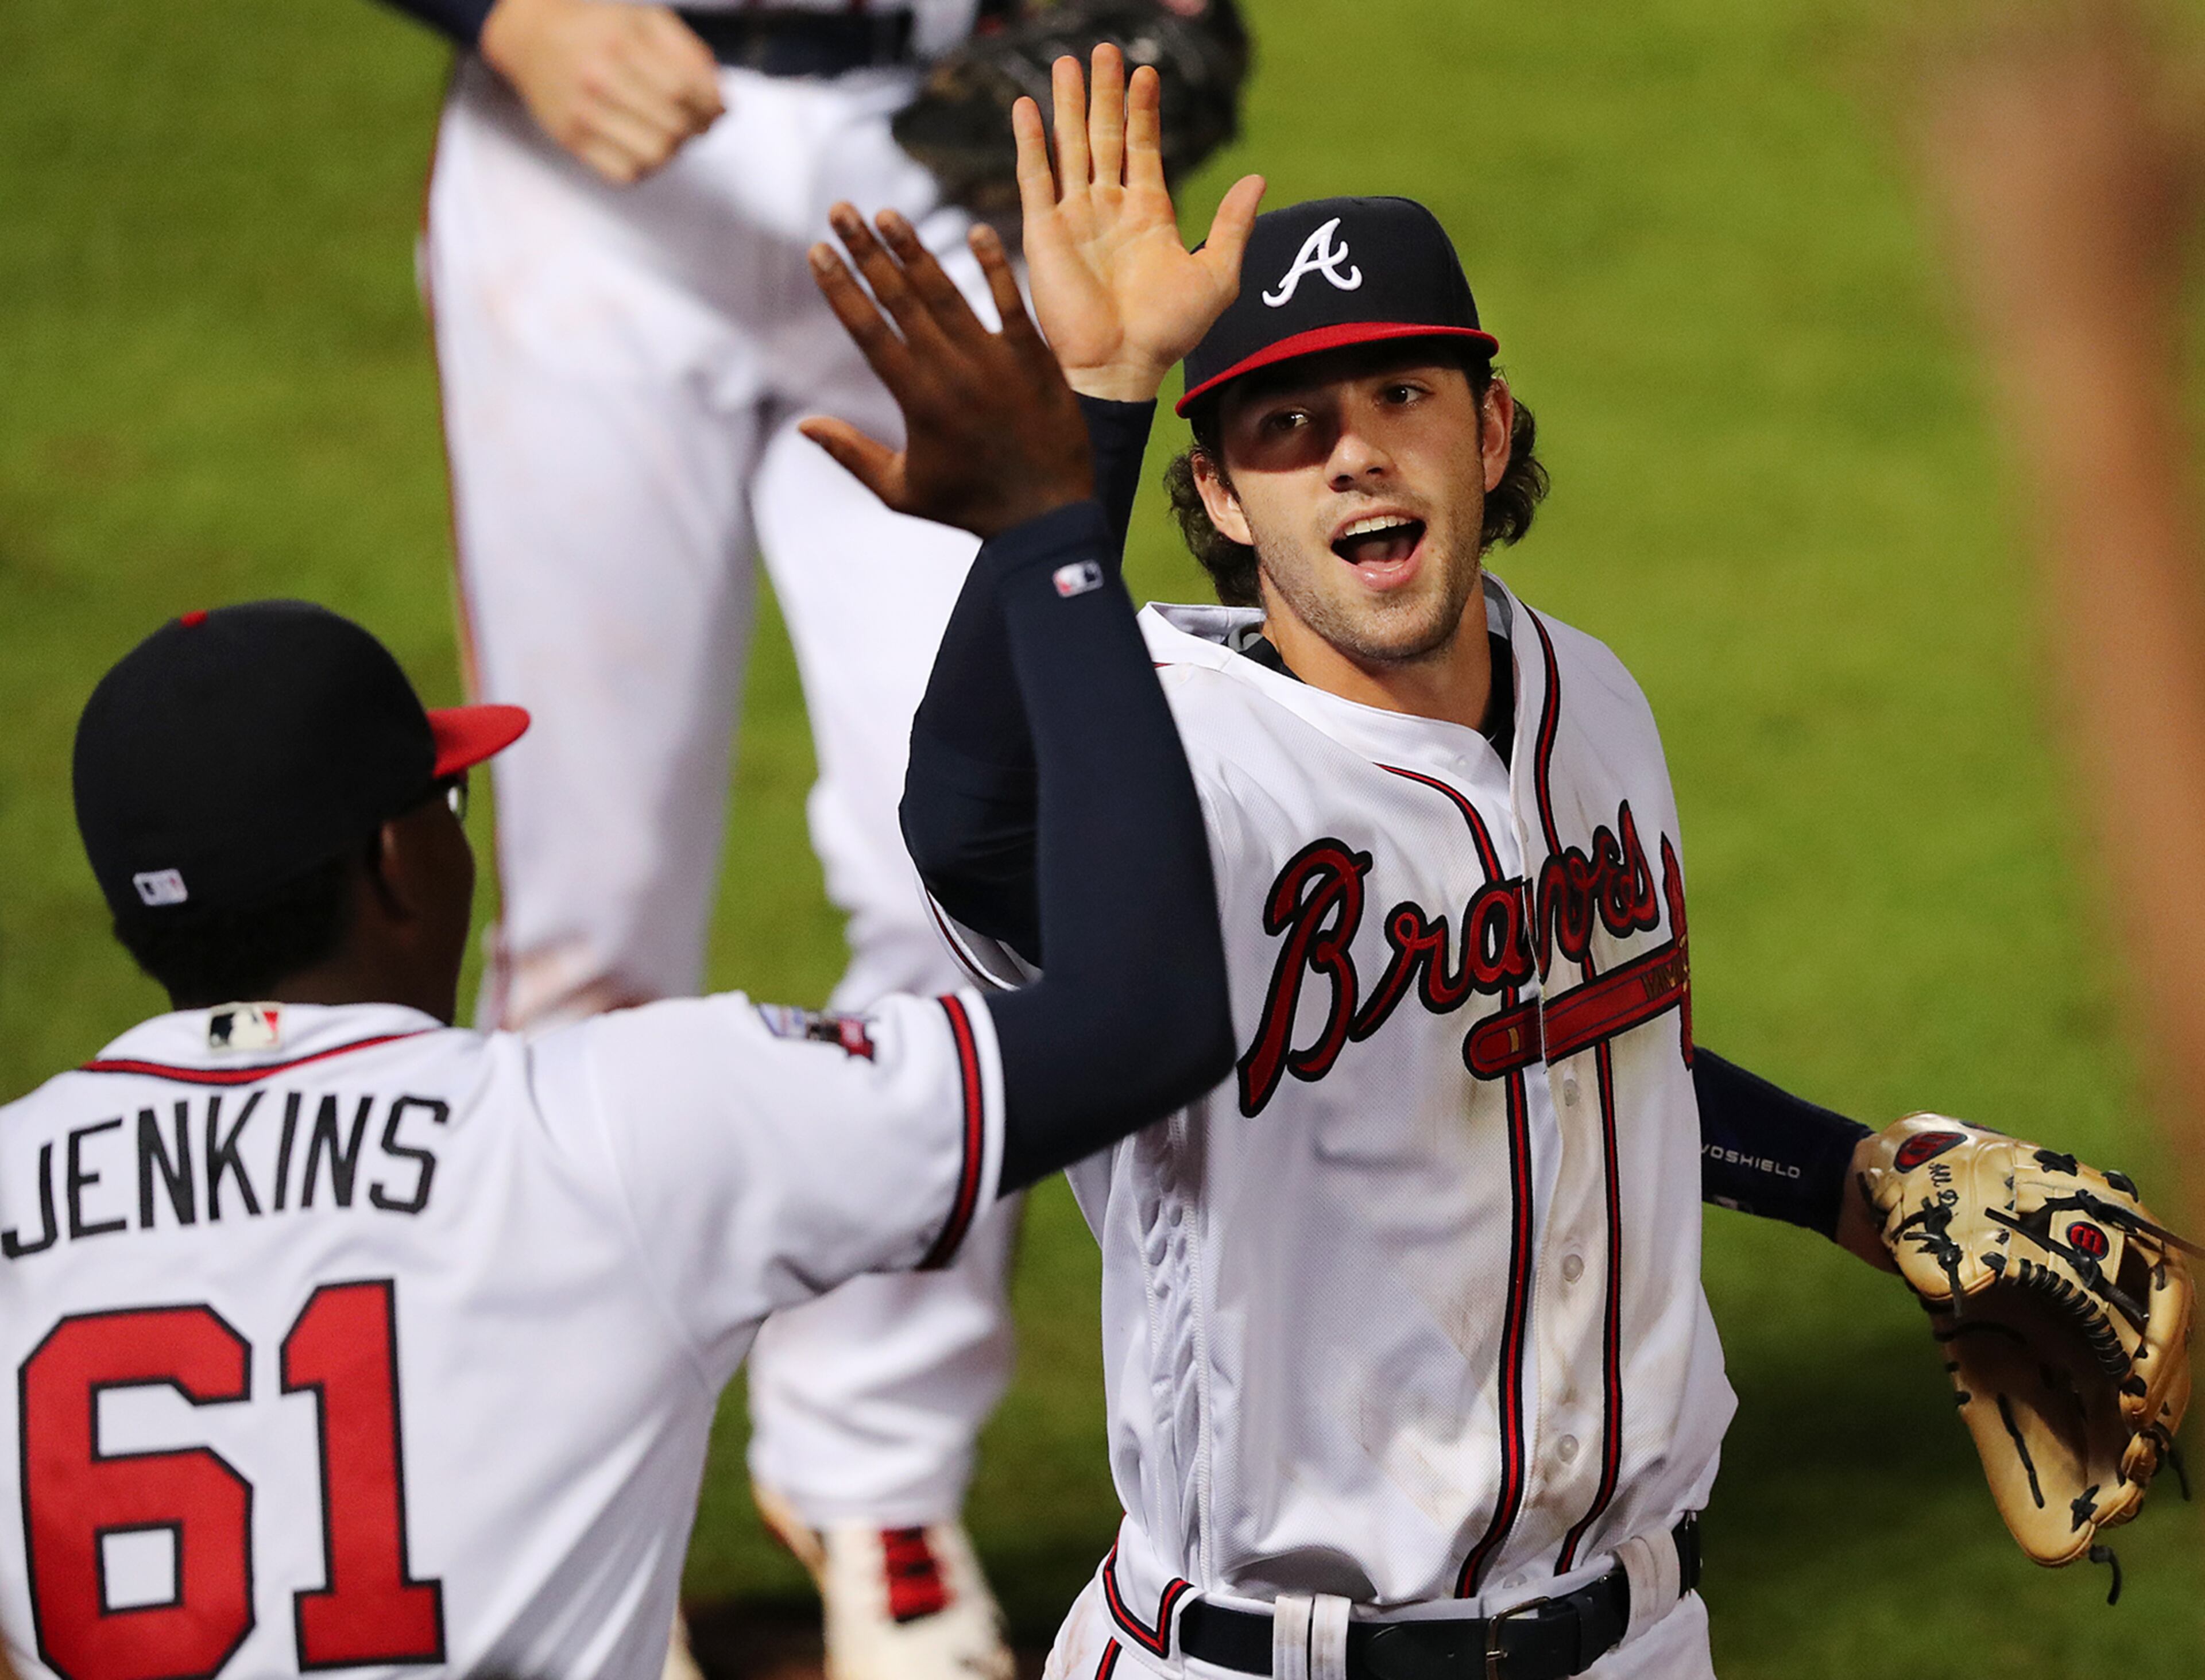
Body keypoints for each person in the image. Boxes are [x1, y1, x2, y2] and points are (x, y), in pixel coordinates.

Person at [887, 52, 2020, 1679]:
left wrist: (1850, 1179)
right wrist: (1110, 402)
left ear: (1488, 430)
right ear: (1214, 492)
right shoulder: (1167, 754)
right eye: (1284, 429)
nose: (1352, 455)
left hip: (1642, 1634)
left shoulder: (1594, 698)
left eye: (1399, 398)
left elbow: (1585, 1060)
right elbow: (974, 823)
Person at [0, 215, 1240, 1680]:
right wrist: (1050, 524)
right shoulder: (613, 1136)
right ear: (401, 857)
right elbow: (1145, 1013)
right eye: (446, 792)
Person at [370, 0, 1031, 1663]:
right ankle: (585, 1519)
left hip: (933, 154)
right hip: (588, 169)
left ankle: (876, 1473)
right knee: (592, 914)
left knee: (967, 881)